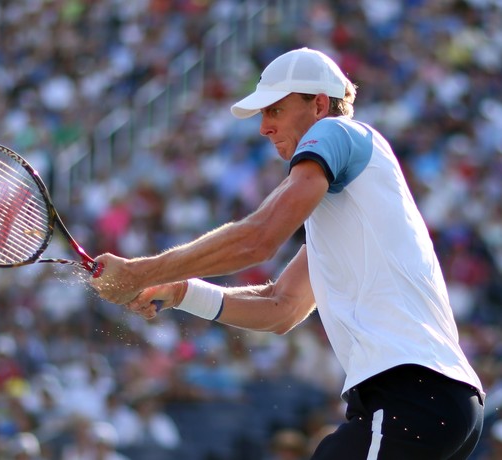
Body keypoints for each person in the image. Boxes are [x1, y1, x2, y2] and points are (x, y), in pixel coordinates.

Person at [91, 47, 485, 459]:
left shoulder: (334, 132)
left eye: (275, 111)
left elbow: (257, 239)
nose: (263, 127)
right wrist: (180, 290)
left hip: (410, 395)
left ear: (318, 104)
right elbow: (282, 307)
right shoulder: (351, 201)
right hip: (444, 404)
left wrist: (138, 272)